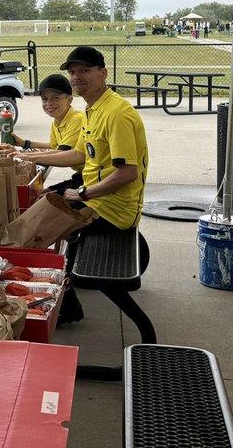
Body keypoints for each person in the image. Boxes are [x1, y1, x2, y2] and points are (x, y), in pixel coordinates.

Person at [16, 47, 148, 323]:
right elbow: (78, 155)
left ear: (103, 73)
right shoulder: (93, 109)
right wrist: (27, 155)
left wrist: (83, 193)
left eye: (85, 70)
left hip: (112, 210)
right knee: (40, 206)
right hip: (97, 199)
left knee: (37, 229)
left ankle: (66, 307)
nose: (77, 77)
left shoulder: (116, 113)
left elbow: (128, 173)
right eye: (73, 72)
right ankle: (59, 290)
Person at [0, 73, 84, 192]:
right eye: (45, 99)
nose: (49, 103)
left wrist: (23, 155)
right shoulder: (57, 121)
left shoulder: (77, 119)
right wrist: (25, 144)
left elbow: (61, 153)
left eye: (56, 98)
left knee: (44, 198)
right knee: (43, 194)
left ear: (69, 100)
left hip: (92, 178)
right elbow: (54, 146)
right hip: (81, 176)